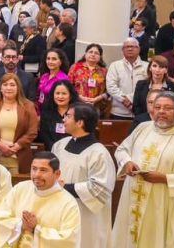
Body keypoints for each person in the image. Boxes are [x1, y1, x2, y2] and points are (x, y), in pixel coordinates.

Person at [112, 91, 174, 247]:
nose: (160, 111)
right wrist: (127, 162)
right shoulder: (143, 128)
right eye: (157, 106)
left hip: (164, 203)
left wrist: (165, 179)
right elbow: (122, 150)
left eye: (167, 108)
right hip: (133, 197)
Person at [52, 103, 116, 248]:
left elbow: (100, 188)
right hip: (61, 208)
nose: (63, 119)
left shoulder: (98, 153)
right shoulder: (60, 145)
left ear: (80, 123)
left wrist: (64, 187)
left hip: (86, 215)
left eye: (68, 116)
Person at [0, 152, 81, 247]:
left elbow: (68, 240)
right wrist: (21, 225)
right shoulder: (19, 189)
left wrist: (35, 229)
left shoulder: (68, 203)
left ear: (57, 174)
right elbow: (1, 217)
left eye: (43, 170)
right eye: (34, 169)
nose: (37, 175)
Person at [0, 73, 39, 174]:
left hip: (18, 158)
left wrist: (15, 147)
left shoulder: (28, 105)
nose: (8, 88)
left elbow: (32, 131)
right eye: (5, 84)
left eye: (12, 85)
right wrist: (0, 145)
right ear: (0, 88)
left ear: (18, 88)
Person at [106, 38, 148, 120]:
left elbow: (148, 86)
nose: (130, 49)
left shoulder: (147, 66)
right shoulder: (115, 65)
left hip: (141, 111)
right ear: (122, 50)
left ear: (139, 49)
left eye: (133, 46)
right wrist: (123, 99)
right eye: (127, 47)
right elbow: (111, 86)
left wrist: (130, 99)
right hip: (119, 111)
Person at [68, 43, 109, 117]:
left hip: (96, 107)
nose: (93, 54)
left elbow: (108, 91)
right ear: (85, 54)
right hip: (78, 105)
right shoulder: (75, 67)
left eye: (96, 53)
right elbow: (68, 86)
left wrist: (96, 99)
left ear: (100, 57)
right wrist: (79, 97)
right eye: (90, 52)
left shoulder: (104, 71)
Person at [38, 81, 78, 150]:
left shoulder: (77, 112)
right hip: (52, 151)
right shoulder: (47, 111)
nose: (60, 96)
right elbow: (44, 133)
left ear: (70, 96)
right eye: (57, 93)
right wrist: (54, 148)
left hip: (73, 150)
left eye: (64, 93)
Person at [36, 48, 70, 113]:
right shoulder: (44, 76)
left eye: (54, 59)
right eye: (48, 59)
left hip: (53, 112)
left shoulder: (63, 79)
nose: (50, 61)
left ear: (60, 62)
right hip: (40, 110)